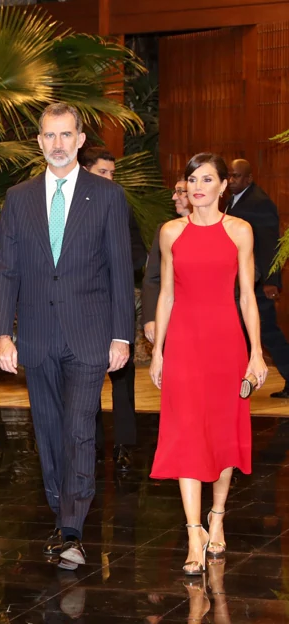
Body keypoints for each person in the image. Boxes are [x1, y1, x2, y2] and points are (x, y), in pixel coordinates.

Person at [0, 102, 134, 571]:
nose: (57, 144)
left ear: (79, 141)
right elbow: (6, 271)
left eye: (65, 135)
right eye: (49, 136)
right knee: (48, 430)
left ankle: (72, 526)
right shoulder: (19, 198)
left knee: (78, 428)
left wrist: (122, 335)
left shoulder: (107, 197)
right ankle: (61, 510)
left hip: (90, 334)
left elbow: (119, 270)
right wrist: (2, 334)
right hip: (35, 334)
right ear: (39, 142)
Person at [149, 153, 267, 575]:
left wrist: (255, 350)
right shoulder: (170, 232)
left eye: (207, 179)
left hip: (225, 344)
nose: (197, 187)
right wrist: (158, 350)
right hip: (183, 343)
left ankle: (217, 515)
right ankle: (194, 531)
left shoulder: (239, 231)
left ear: (223, 187)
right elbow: (165, 294)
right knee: (184, 433)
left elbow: (247, 296)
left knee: (221, 432)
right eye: (192, 179)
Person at [81, 147, 146, 471]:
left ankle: (125, 443)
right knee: (86, 378)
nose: (109, 179)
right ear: (86, 171)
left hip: (114, 304)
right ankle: (90, 444)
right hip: (83, 309)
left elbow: (137, 254)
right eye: (102, 172)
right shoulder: (70, 208)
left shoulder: (120, 204)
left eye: (112, 173)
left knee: (122, 377)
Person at [226, 159, 289, 398]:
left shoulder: (259, 203)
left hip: (257, 284)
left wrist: (272, 281)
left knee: (269, 335)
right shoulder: (234, 200)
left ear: (248, 179)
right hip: (241, 283)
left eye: (236, 176)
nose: (232, 181)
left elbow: (271, 245)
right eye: (230, 176)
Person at [142, 176, 192, 344]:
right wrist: (150, 318)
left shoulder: (230, 227)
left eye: (179, 192)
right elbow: (152, 278)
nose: (173, 197)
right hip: (172, 316)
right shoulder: (165, 230)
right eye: (174, 192)